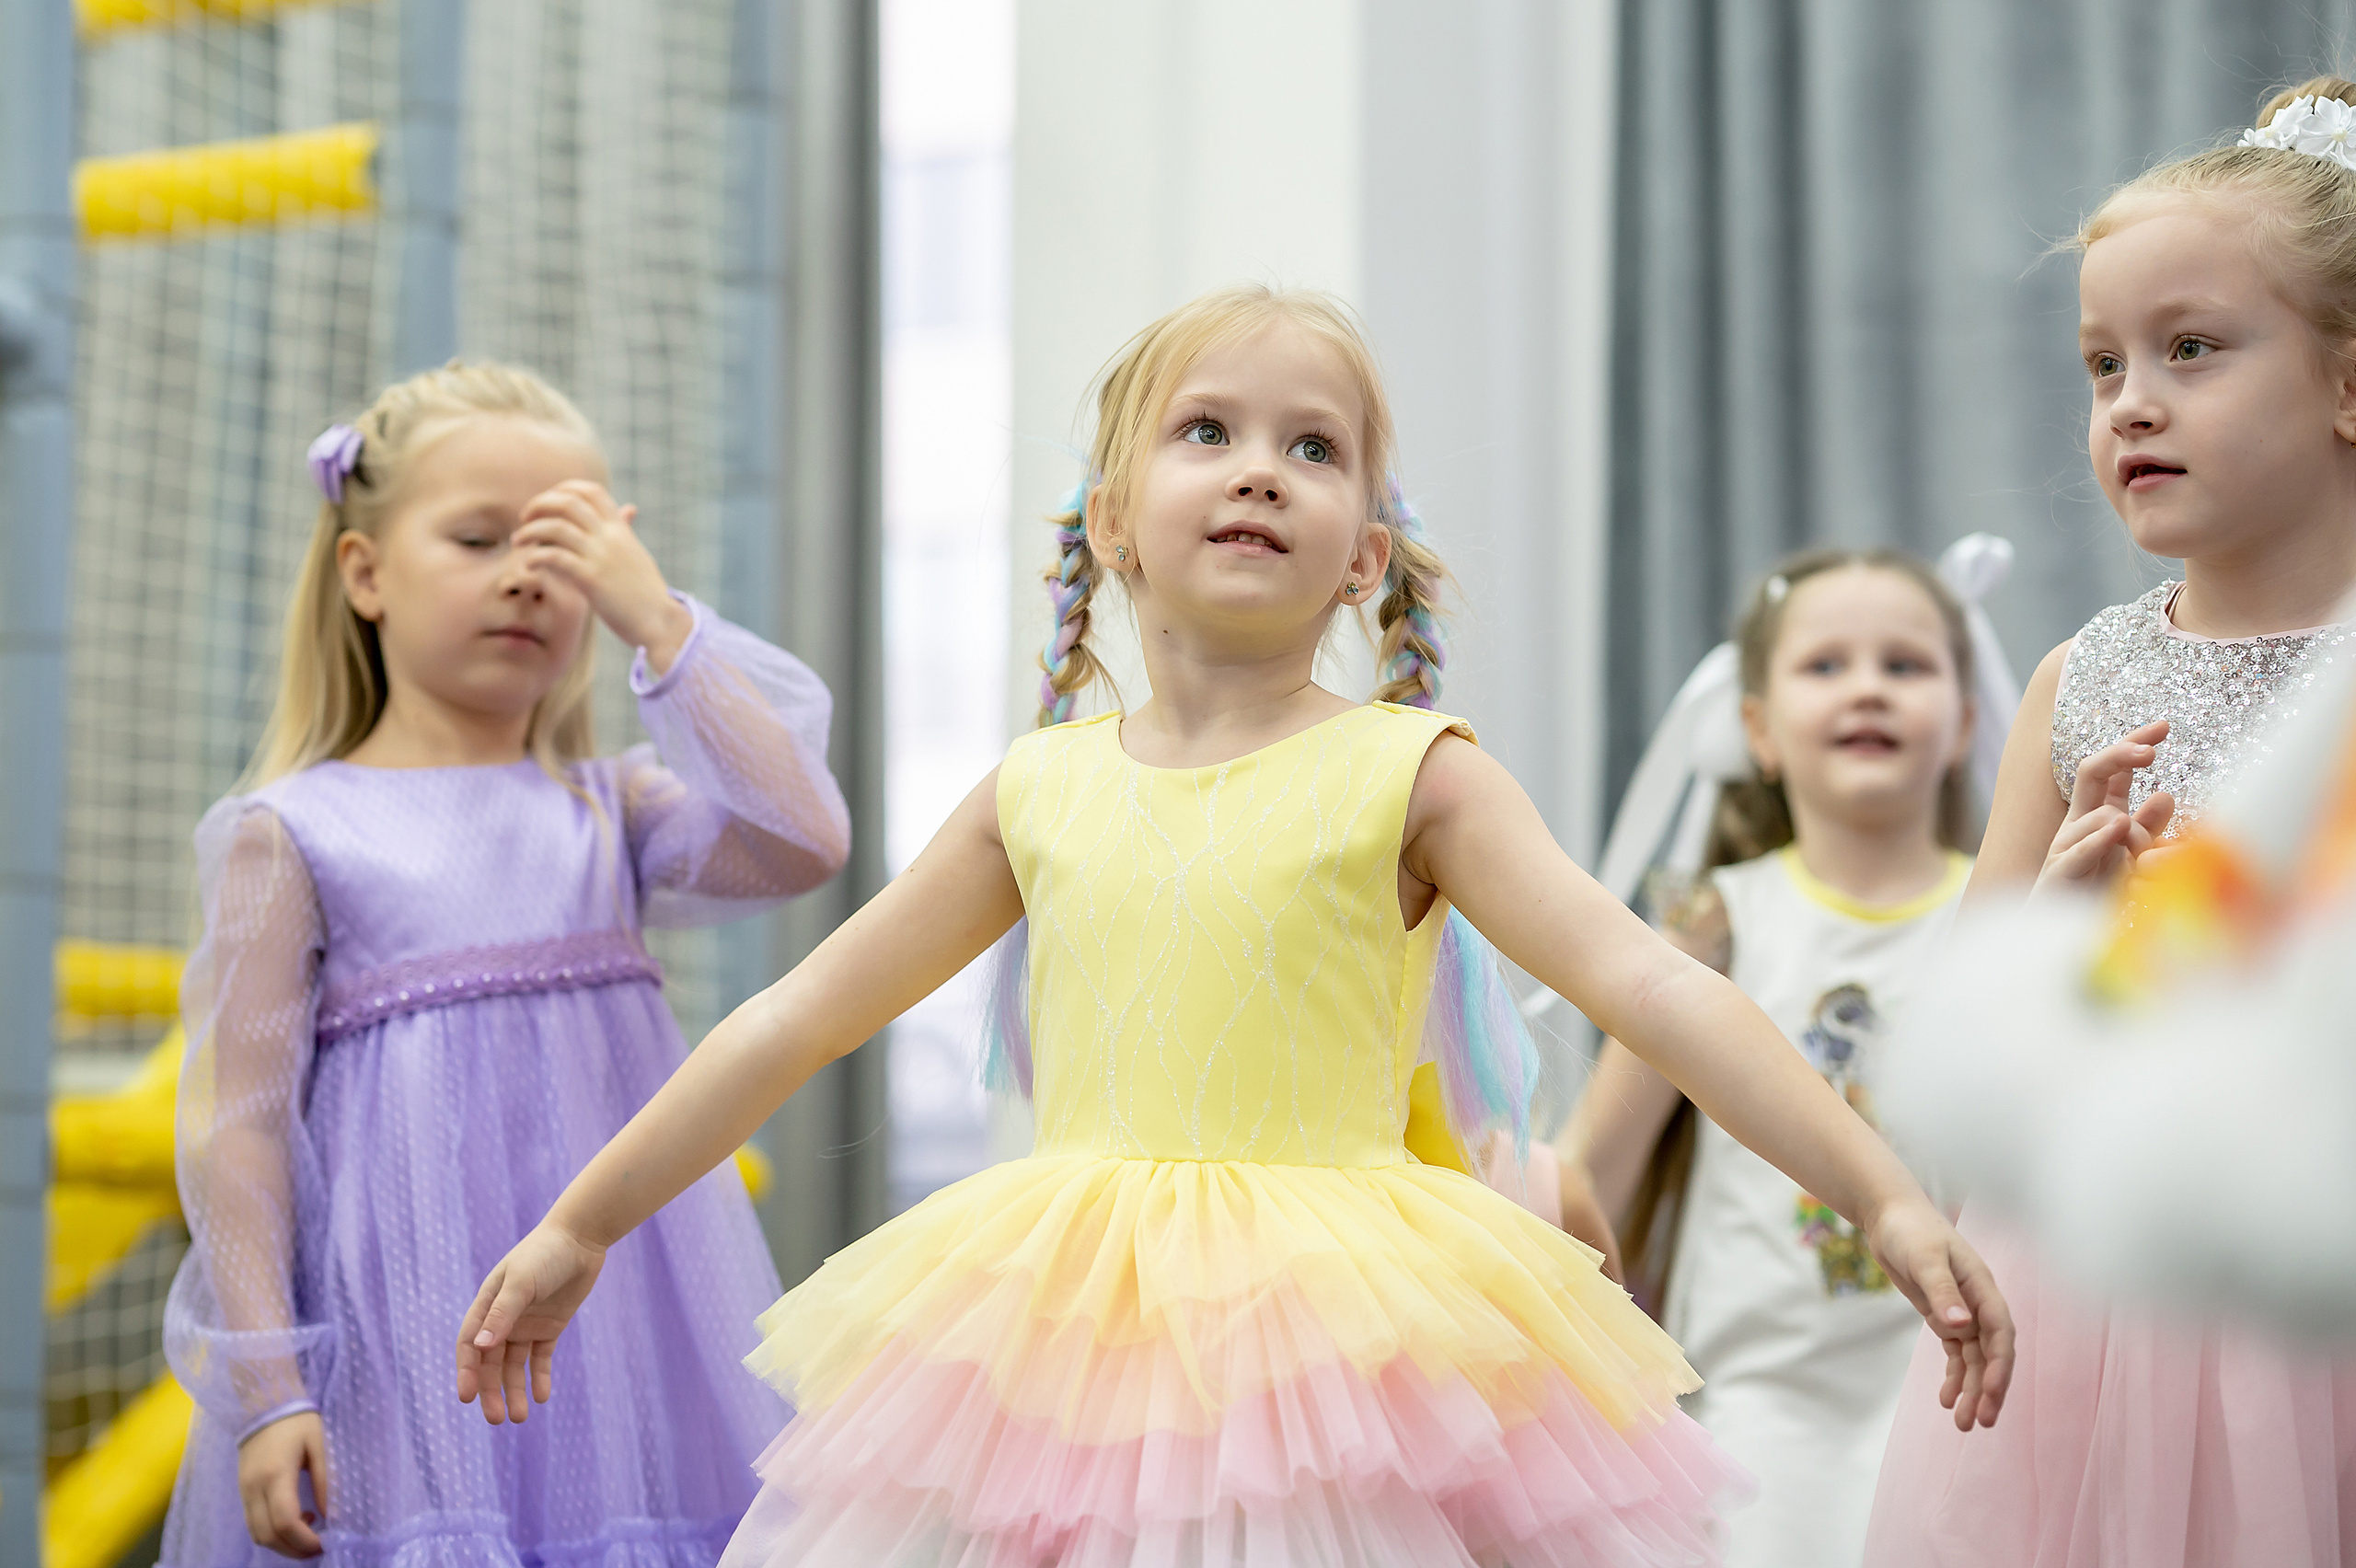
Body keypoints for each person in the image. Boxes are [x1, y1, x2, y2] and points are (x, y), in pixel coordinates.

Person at [455, 284, 2012, 1567]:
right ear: (1119, 520)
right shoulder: (1035, 789)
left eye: (1313, 446)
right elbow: (795, 1016)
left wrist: (1882, 1192)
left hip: (1346, 1357)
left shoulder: (1414, 775)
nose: (1261, 466)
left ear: (1365, 559)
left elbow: (1654, 984)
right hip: (1063, 1335)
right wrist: (584, 1218)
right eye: (1210, 430)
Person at [160, 362, 850, 1565]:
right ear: (364, 573)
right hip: (409, 1353)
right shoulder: (296, 830)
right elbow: (242, 1132)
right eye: (479, 537)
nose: (528, 573)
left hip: (626, 1339)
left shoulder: (607, 809)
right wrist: (268, 1386)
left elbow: (803, 840)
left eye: (563, 548)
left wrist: (659, 622)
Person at [1865, 77, 2356, 1568]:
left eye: (2191, 349)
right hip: (2100, 1302)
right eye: (2100, 365)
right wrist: (2061, 937)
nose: (2131, 400)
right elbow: (1958, 1057)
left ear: (2349, 381)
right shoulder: (2088, 679)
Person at [1550, 548, 1998, 1568]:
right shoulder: (1712, 925)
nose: (1868, 688)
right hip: (1759, 1409)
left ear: (1966, 719)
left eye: (1905, 664)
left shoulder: (2001, 920)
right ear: (1756, 727)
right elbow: (1589, 1175)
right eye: (1825, 665)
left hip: (1953, 1395)